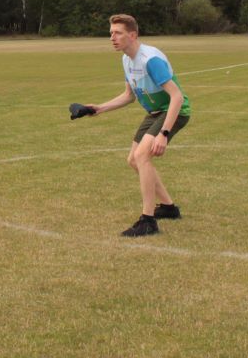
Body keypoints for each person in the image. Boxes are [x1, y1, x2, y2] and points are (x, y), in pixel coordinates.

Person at [72, 14, 191, 237]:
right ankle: (168, 207)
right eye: (111, 33)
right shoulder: (126, 59)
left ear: (133, 35)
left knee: (142, 156)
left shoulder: (150, 60)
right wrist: (98, 108)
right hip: (154, 113)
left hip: (173, 112)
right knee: (133, 159)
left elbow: (177, 97)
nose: (112, 38)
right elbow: (129, 95)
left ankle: (148, 220)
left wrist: (163, 134)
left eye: (117, 33)